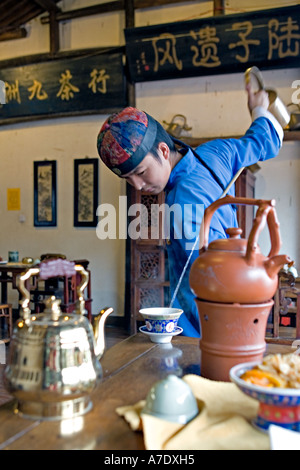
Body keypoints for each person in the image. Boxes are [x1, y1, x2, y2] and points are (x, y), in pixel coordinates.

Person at [97, 84, 283, 338]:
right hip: (241, 303)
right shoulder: (216, 152)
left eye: (140, 172)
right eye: (128, 180)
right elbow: (266, 140)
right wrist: (259, 108)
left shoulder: (182, 202)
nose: (138, 186)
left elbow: (210, 279)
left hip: (205, 325)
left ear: (163, 150)